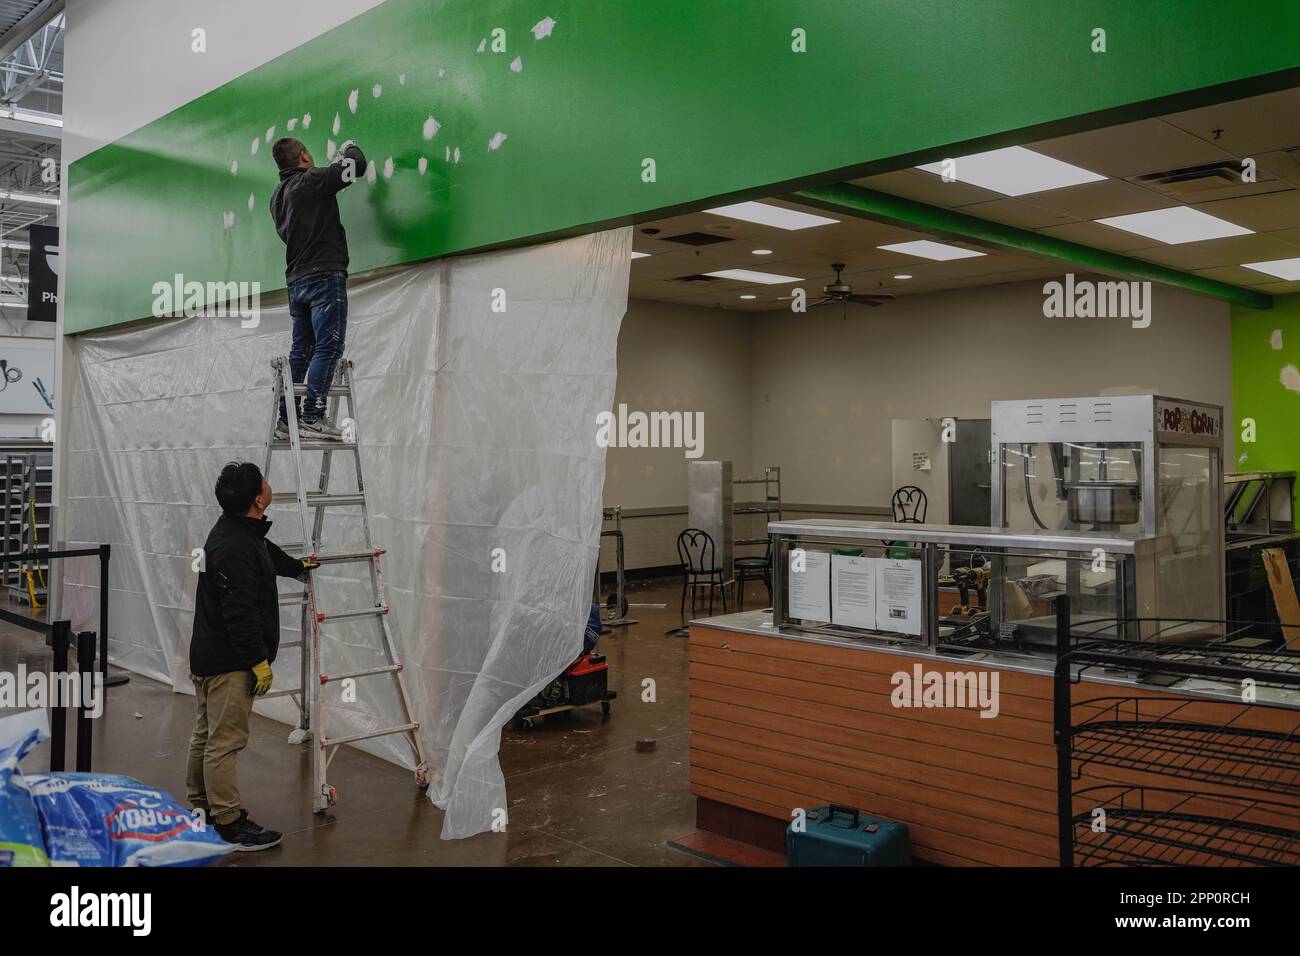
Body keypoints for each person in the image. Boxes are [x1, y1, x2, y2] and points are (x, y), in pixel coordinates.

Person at [187, 461, 317, 850]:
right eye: (264, 481)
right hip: (228, 663)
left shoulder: (237, 530)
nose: (268, 483)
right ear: (258, 499)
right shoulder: (233, 547)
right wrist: (257, 660)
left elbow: (263, 549)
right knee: (225, 741)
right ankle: (228, 821)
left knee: (207, 735)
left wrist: (295, 568)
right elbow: (239, 613)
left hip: (210, 655)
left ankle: (202, 807)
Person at [268, 136, 367, 441]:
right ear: (304, 157)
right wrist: (348, 147)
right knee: (329, 347)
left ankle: (287, 418)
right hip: (323, 275)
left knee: (302, 351)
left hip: (296, 281)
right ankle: (312, 414)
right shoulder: (310, 181)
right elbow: (356, 166)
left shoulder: (277, 197)